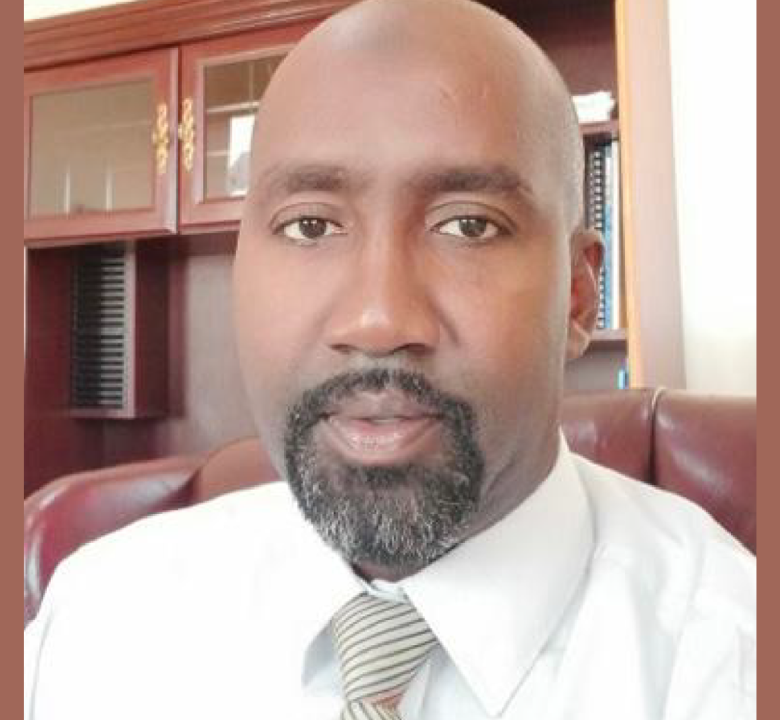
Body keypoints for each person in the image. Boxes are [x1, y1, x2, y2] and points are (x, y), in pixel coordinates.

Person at [24, 0, 755, 718]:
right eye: (310, 226)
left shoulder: (731, 662)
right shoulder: (98, 623)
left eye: (469, 226)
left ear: (578, 297)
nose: (377, 322)